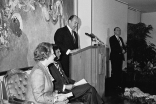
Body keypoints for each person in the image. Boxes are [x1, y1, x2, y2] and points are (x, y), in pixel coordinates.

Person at [109, 27, 126, 94]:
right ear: (114, 31)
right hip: (115, 57)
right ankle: (114, 86)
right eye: (117, 30)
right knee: (115, 71)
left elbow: (123, 46)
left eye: (119, 30)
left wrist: (124, 50)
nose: (119, 31)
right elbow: (113, 47)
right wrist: (121, 51)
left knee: (119, 71)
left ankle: (119, 85)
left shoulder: (120, 38)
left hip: (120, 57)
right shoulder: (112, 38)